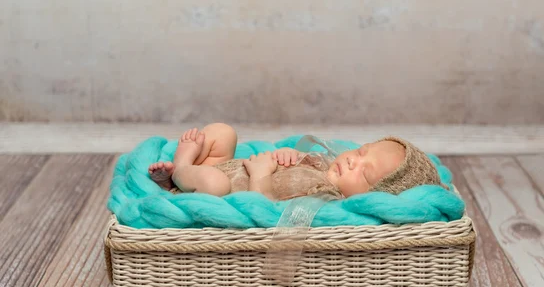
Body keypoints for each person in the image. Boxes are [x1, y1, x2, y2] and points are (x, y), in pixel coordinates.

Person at [148, 122, 442, 200]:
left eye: (365, 175)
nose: (353, 162)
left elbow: (265, 211)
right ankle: (189, 171)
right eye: (360, 152)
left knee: (215, 183)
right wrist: (288, 156)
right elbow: (295, 163)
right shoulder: (324, 164)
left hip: (220, 188)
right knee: (223, 133)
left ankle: (180, 169)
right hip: (223, 167)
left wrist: (262, 173)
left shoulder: (324, 198)